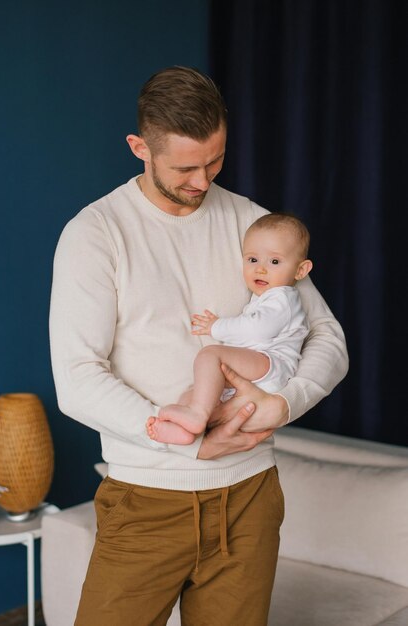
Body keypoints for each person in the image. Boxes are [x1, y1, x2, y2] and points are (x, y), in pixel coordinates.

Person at [49, 66, 348, 626]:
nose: (203, 181)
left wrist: (285, 404)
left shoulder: (251, 221)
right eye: (186, 167)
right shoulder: (95, 234)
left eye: (215, 160)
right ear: (140, 147)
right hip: (146, 499)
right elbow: (77, 377)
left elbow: (327, 335)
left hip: (251, 495)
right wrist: (188, 445)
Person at [147, 213, 313, 445]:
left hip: (271, 363)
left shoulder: (281, 298)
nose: (261, 269)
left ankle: (196, 415)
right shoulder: (266, 296)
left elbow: (258, 330)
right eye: (252, 260)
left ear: (301, 270)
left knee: (210, 355)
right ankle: (190, 430)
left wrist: (217, 326)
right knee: (193, 394)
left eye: (274, 262)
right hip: (256, 372)